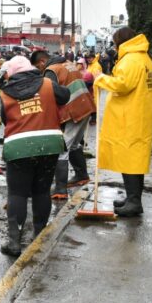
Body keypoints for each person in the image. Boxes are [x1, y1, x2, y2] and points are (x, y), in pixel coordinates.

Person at [0, 56, 69, 256]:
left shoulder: (5, 93)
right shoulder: (48, 84)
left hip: (19, 146)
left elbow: (6, 118)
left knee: (17, 194)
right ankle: (39, 236)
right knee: (41, 191)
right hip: (48, 143)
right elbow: (64, 96)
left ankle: (14, 242)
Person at [93, 27, 152, 217]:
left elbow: (122, 85)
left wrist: (101, 78)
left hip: (130, 116)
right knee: (135, 160)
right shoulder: (144, 59)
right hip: (139, 115)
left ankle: (134, 201)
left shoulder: (131, 60)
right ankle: (133, 198)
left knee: (130, 159)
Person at [30, 49, 94, 199]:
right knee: (75, 143)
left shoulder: (51, 70)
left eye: (39, 68)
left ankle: (60, 189)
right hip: (85, 106)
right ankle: (81, 175)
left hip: (74, 110)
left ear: (42, 62)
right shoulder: (68, 63)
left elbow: (51, 94)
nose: (41, 71)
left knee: (62, 149)